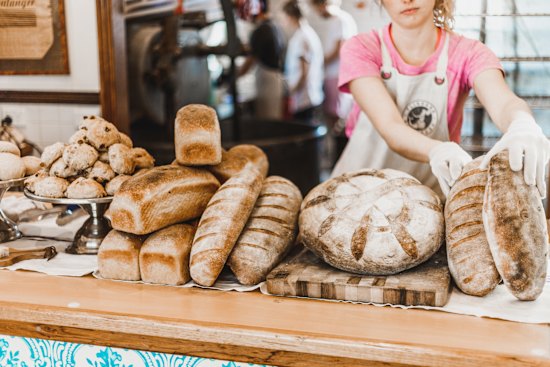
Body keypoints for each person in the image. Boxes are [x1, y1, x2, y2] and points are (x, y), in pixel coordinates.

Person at [333, 0, 550, 199]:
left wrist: (522, 124)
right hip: (357, 197)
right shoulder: (361, 48)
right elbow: (390, 127)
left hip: (428, 202)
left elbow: (504, 102)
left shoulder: (468, 53)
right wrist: (437, 149)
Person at [310, 0, 357, 126]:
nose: (317, 12)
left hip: (337, 75)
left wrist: (317, 63)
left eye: (316, 8)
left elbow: (338, 50)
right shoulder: (337, 20)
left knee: (335, 117)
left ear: (322, 5)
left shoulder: (341, 20)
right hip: (333, 75)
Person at [237, 0, 286, 120]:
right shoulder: (275, 26)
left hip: (267, 79)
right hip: (276, 79)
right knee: (273, 118)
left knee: (268, 120)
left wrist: (234, 76)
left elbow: (251, 59)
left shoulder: (260, 30)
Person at [281, 0, 324, 124]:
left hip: (305, 97)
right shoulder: (306, 33)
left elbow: (304, 71)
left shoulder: (302, 37)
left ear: (290, 16)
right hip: (308, 95)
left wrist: (292, 91)